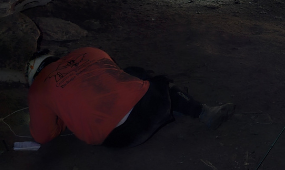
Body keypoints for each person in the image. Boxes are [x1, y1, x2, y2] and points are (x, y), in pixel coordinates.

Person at [26, 47, 235, 147]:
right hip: (153, 108)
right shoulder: (89, 51)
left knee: (133, 80)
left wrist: (61, 117)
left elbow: (42, 136)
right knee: (141, 76)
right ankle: (202, 111)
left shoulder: (38, 89)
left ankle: (172, 102)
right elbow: (115, 78)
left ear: (35, 75)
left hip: (120, 139)